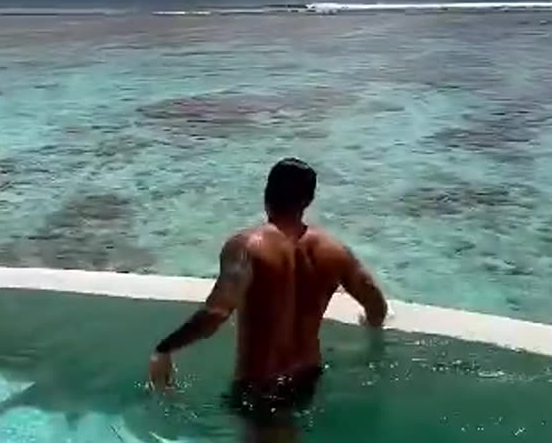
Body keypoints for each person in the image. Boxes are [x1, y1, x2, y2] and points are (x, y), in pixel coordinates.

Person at [148, 158, 388, 432]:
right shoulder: (334, 250)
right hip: (307, 379)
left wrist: (165, 348)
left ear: (267, 194)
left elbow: (216, 313)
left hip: (259, 386)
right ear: (308, 200)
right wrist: (371, 327)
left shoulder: (247, 246)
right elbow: (375, 303)